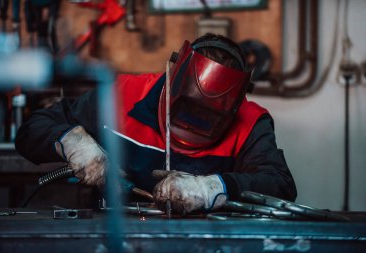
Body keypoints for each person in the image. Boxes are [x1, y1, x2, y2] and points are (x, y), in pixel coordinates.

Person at [15, 33, 297, 214]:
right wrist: (71, 143)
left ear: (233, 106)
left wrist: (212, 188)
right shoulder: (121, 94)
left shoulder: (251, 121)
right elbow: (30, 130)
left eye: (208, 116)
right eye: (186, 108)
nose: (191, 123)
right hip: (114, 237)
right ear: (172, 77)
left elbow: (280, 186)